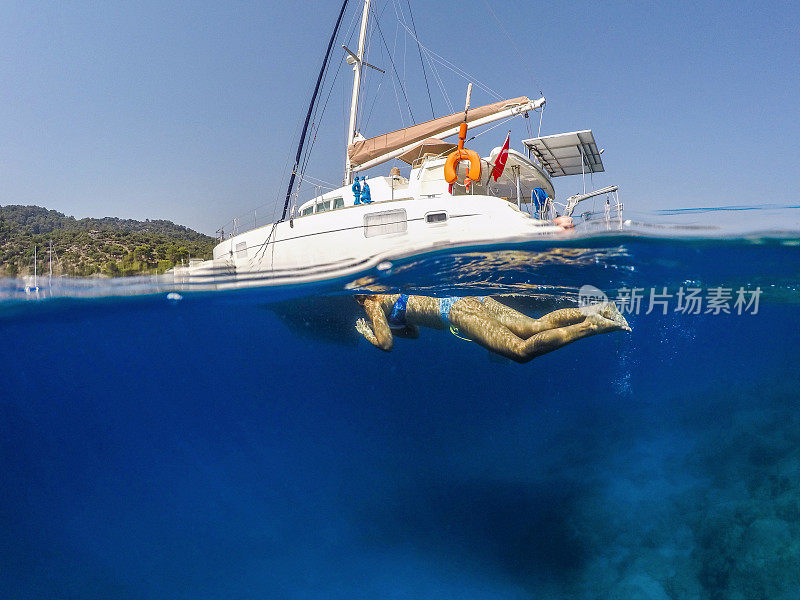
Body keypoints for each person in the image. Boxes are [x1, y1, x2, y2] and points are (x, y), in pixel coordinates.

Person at [355, 294, 629, 363]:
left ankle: (590, 325)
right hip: (473, 301)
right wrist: (392, 325)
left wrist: (370, 334)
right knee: (536, 325)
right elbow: (412, 332)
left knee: (520, 351)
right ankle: (598, 309)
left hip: (458, 312)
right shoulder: (387, 294)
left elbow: (386, 343)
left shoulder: (370, 300)